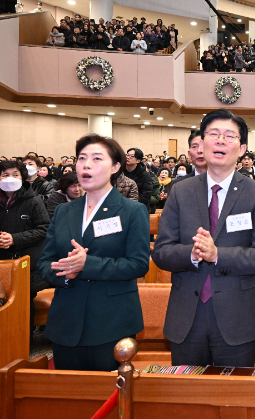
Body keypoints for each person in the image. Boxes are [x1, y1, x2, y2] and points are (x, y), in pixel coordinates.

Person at [153, 109, 255, 368]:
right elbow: (161, 251)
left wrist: (217, 254)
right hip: (187, 316)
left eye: (229, 136)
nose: (220, 140)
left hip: (237, 316)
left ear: (242, 148)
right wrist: (192, 253)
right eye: (213, 134)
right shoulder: (180, 191)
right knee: (187, 400)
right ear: (201, 143)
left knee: (235, 399)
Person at [37, 134, 150, 371]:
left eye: (97, 159)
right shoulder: (64, 211)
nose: (86, 165)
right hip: (66, 320)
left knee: (108, 398)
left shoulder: (132, 210)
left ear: (116, 167)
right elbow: (45, 262)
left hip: (111, 321)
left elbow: (138, 264)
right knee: (69, 400)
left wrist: (87, 264)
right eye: (81, 158)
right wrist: (65, 273)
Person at [0, 160, 51, 330]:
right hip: (2, 262)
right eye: (5, 175)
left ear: (23, 178)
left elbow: (44, 229)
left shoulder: (33, 200)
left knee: (22, 302)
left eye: (15, 174)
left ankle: (22, 344)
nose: (10, 178)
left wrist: (15, 238)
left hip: (27, 263)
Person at [123, 148, 153, 213]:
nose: (128, 157)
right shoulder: (119, 172)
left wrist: (129, 203)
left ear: (138, 161)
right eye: (127, 155)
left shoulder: (145, 175)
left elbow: (146, 195)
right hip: (121, 207)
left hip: (138, 208)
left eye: (132, 156)